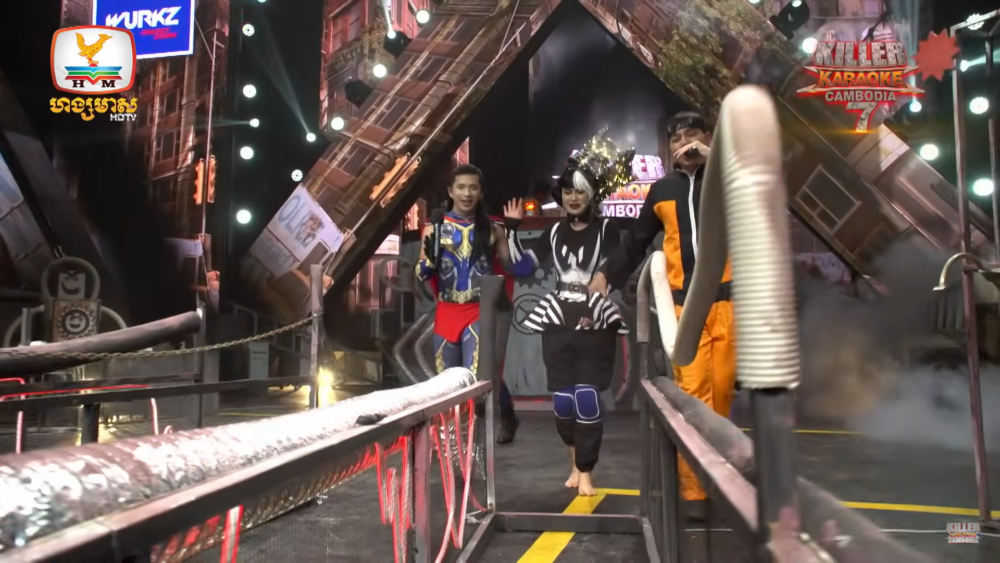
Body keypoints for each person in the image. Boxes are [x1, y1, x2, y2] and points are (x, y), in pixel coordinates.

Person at [589, 111, 733, 516]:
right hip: (685, 307)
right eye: (676, 139)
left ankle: (720, 482)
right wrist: (606, 273)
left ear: (707, 137)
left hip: (728, 303)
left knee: (722, 393)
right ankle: (694, 493)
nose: (684, 144)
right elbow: (636, 241)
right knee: (694, 394)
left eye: (692, 136)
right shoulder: (662, 190)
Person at [503, 130, 633, 496]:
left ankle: (587, 470)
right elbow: (522, 269)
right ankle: (575, 463)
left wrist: (597, 303)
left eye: (580, 191)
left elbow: (617, 270)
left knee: (587, 398)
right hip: (558, 319)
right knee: (563, 401)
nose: (573, 198)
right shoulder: (555, 232)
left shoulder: (608, 229)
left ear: (592, 194)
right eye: (567, 191)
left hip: (594, 320)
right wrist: (512, 230)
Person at [415, 164, 533, 443]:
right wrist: (429, 261)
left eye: (473, 188)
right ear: (450, 191)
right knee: (448, 387)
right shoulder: (434, 228)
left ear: (480, 192)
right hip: (447, 312)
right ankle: (452, 446)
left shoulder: (493, 228)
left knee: (476, 382)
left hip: (479, 312)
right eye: (461, 187)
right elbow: (420, 273)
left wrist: (513, 229)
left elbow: (515, 268)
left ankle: (474, 448)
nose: (466, 193)